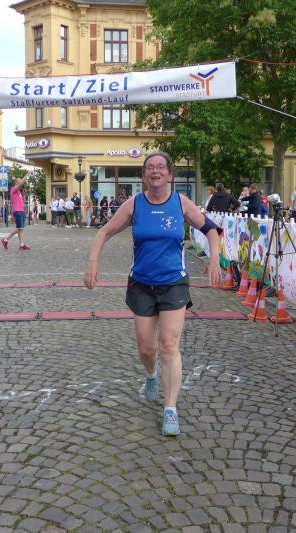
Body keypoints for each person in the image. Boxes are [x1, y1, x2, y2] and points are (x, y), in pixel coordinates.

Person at [84, 152, 222, 437]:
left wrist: (214, 259)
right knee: (147, 349)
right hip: (142, 283)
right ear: (144, 175)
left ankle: (170, 409)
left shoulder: (181, 203)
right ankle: (151, 375)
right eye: (150, 168)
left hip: (174, 282)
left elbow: (211, 230)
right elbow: (104, 232)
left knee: (169, 343)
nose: (155, 171)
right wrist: (93, 263)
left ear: (170, 174)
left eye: (160, 167)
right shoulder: (134, 204)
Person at [1, 177, 32, 250]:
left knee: (20, 229)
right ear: (16, 183)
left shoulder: (18, 192)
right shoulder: (13, 189)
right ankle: (5, 240)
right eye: (19, 181)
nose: (21, 182)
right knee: (20, 228)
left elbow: (22, 203)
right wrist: (27, 175)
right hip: (18, 211)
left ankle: (22, 245)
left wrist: (24, 196)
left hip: (21, 211)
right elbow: (21, 183)